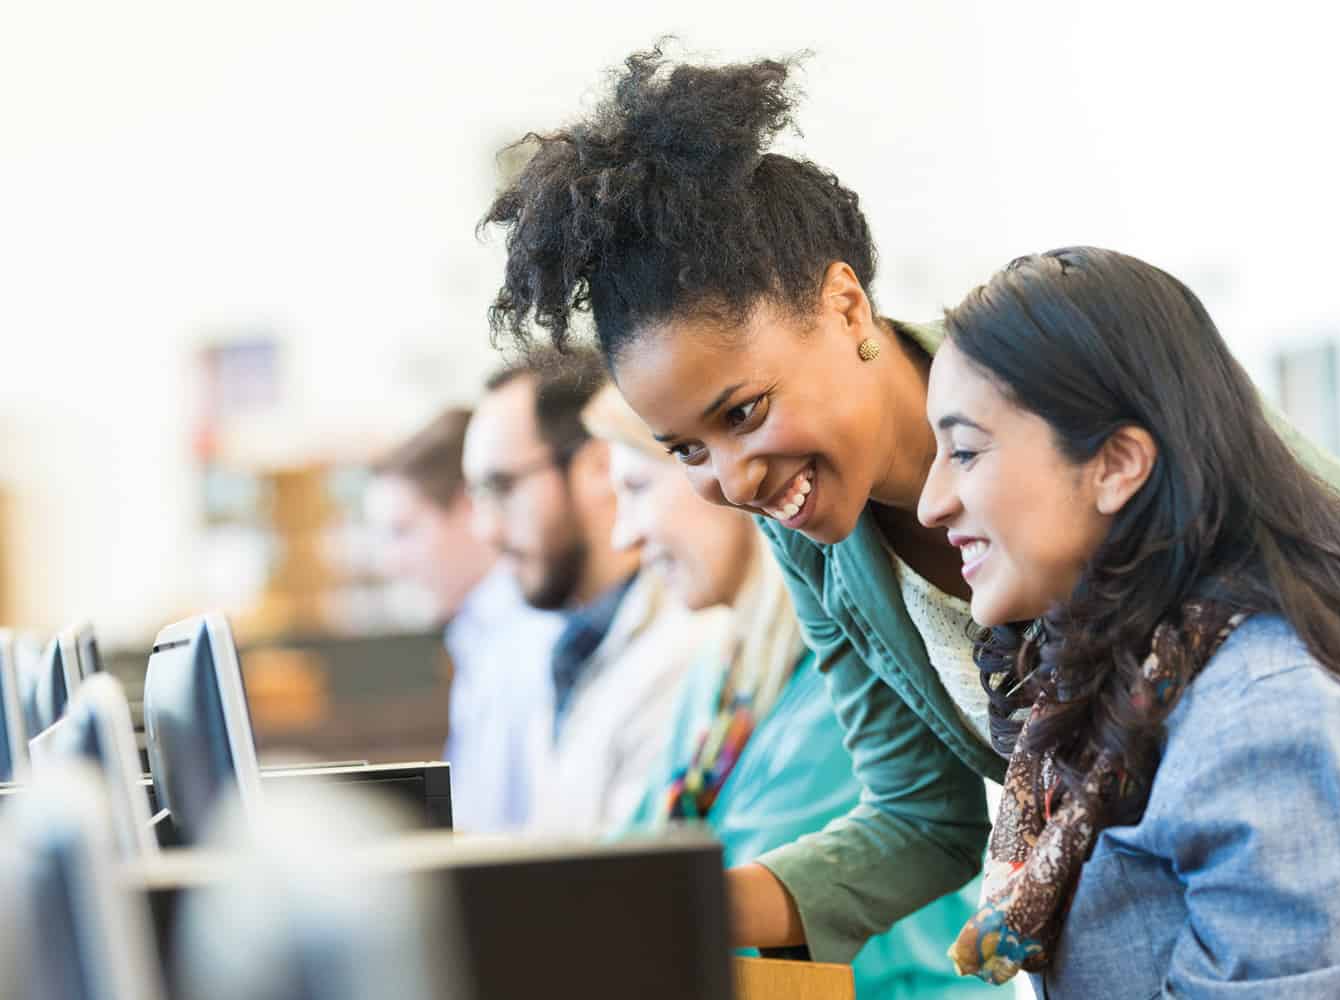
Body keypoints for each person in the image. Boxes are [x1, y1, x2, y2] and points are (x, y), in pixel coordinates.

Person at [479, 48, 1340, 972]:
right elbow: (922, 818)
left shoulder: (1077, 394)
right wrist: (642, 904)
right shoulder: (818, 535)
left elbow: (1339, 685)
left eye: (744, 412)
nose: (734, 480)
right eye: (687, 450)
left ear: (845, 307)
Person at [925, 247, 1340, 995]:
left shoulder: (1272, 719)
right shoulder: (1148, 682)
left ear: (1117, 463)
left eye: (966, 451)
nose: (931, 502)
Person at [584, 384, 1001, 999]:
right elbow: (632, 864)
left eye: (638, 489)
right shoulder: (722, 676)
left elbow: (726, 904)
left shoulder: (842, 680)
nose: (622, 537)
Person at [463, 350, 722, 833]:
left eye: (501, 487)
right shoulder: (572, 643)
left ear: (596, 467)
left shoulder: (689, 643)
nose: (486, 529)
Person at [366, 408, 560, 832]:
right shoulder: (481, 637)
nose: (389, 563)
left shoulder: (532, 638)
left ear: (468, 508)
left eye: (403, 531)